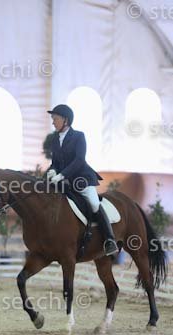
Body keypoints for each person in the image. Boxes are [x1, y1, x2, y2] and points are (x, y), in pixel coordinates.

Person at [45, 104, 118, 256]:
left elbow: (79, 160)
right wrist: (52, 170)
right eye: (52, 119)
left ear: (65, 120)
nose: (53, 122)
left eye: (55, 119)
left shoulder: (79, 136)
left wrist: (62, 175)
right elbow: (55, 162)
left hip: (81, 178)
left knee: (93, 203)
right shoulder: (55, 139)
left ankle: (109, 239)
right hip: (63, 181)